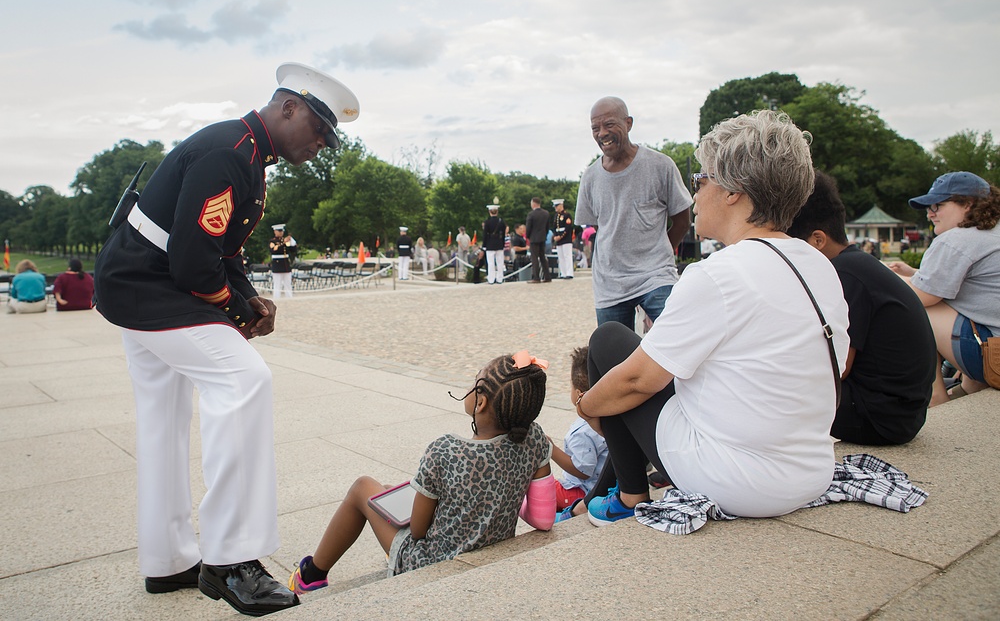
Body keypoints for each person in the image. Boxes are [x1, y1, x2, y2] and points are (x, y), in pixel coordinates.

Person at [93, 62, 359, 616]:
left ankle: (168, 562)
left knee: (163, 420)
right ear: (288, 107)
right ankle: (231, 561)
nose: (320, 144)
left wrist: (249, 298)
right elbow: (193, 264)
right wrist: (237, 314)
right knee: (242, 381)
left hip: (135, 282)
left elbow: (222, 248)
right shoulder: (230, 154)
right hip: (153, 286)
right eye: (318, 129)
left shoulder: (246, 153)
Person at [575, 110, 849, 526]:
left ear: (734, 191)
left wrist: (587, 406)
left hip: (739, 481)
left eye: (701, 181)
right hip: (811, 469)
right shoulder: (817, 265)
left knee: (609, 341)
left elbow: (636, 381)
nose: (695, 194)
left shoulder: (718, 274)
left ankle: (630, 496)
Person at [287, 351, 555, 593]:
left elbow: (417, 531)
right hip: (491, 548)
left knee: (362, 488)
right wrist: (505, 494)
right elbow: (543, 519)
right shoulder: (535, 439)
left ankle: (311, 576)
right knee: (389, 491)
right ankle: (314, 573)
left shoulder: (446, 451)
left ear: (481, 402)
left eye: (474, 382)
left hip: (429, 563)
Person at [787, 171, 936, 444]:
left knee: (769, 394)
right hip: (903, 413)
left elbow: (838, 367)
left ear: (817, 240)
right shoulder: (858, 266)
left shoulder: (844, 277)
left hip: (879, 418)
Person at [575, 97, 692, 328]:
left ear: (628, 123)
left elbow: (682, 219)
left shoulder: (660, 165)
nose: (602, 133)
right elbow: (601, 228)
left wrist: (660, 252)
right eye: (595, 128)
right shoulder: (590, 178)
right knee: (617, 358)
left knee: (677, 338)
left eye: (609, 125)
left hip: (656, 275)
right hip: (610, 284)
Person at [888, 172, 1000, 404]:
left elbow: (922, 297)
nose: (930, 213)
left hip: (993, 360)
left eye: (937, 205)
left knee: (917, 308)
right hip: (993, 351)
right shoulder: (991, 234)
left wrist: (884, 279)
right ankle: (970, 387)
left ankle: (935, 394)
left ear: (967, 204)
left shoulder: (957, 239)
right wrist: (915, 274)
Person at [550, 346, 607, 522]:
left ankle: (552, 517)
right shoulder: (608, 417)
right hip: (599, 486)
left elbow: (583, 471)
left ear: (577, 393)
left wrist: (552, 450)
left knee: (533, 493)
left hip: (580, 490)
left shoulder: (583, 432)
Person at [525, 197, 552, 283]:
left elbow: (528, 228)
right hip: (543, 238)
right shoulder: (546, 213)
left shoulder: (531, 214)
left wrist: (528, 236)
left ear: (533, 204)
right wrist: (544, 235)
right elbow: (547, 227)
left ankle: (536, 277)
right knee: (543, 257)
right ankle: (547, 276)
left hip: (534, 238)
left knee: (534, 258)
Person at [268, 224, 297, 299]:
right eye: (279, 231)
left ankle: (289, 297)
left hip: (286, 264)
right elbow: (274, 250)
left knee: (288, 283)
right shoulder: (273, 241)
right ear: (275, 231)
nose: (281, 233)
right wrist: (283, 242)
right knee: (277, 283)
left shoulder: (285, 241)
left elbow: (292, 250)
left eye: (282, 231)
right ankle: (277, 297)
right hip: (277, 264)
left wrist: (292, 243)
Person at [482, 204, 507, 285]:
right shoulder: (501, 222)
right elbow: (503, 234)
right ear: (497, 211)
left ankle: (491, 279)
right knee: (500, 262)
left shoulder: (487, 222)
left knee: (491, 263)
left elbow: (485, 234)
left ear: (489, 212)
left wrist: (484, 245)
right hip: (499, 243)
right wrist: (503, 244)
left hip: (490, 244)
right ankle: (500, 279)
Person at [551, 199, 575, 279]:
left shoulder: (567, 215)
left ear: (561, 205)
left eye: (557, 206)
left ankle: (569, 273)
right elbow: (554, 227)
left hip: (566, 238)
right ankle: (563, 273)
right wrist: (555, 236)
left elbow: (568, 228)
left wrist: (560, 236)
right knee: (561, 256)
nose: (556, 208)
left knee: (567, 256)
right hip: (558, 239)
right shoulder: (556, 216)